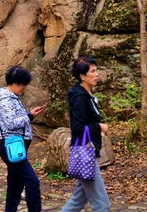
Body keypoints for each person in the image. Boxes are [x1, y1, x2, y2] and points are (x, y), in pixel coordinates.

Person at [0, 65, 46, 212]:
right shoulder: (4, 101)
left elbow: (15, 120)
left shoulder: (12, 98)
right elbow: (10, 125)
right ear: (15, 83)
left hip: (16, 146)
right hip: (11, 148)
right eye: (23, 85)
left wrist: (29, 115)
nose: (24, 88)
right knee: (32, 182)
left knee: (15, 185)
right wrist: (30, 116)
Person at [61, 56, 110, 212]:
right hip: (84, 153)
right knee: (102, 205)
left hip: (86, 151)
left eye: (97, 71)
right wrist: (99, 126)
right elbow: (78, 128)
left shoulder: (86, 94)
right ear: (82, 76)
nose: (96, 75)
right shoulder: (80, 97)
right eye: (92, 71)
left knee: (78, 200)